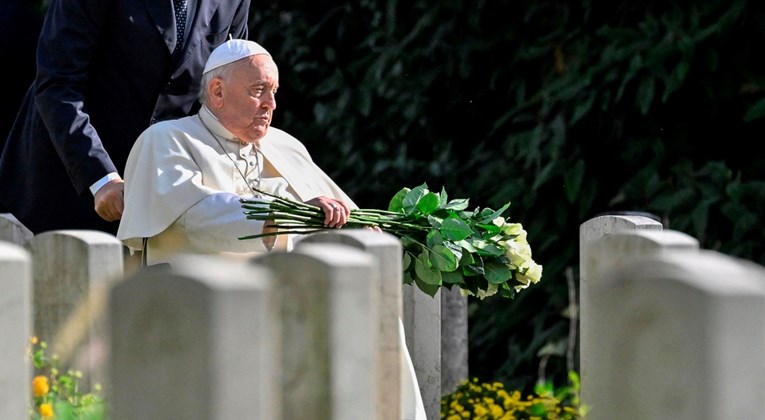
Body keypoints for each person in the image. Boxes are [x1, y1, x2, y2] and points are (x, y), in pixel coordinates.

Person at [117, 39, 427, 420]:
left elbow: (335, 215)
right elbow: (195, 216)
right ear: (217, 91)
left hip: (289, 300)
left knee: (371, 309)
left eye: (274, 92)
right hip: (203, 309)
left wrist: (361, 234)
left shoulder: (285, 146)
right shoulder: (168, 139)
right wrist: (279, 214)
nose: (271, 104)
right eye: (258, 90)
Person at [0, 0, 251, 235]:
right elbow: (58, 84)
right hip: (64, 182)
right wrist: (101, 178)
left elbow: (226, 94)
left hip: (163, 193)